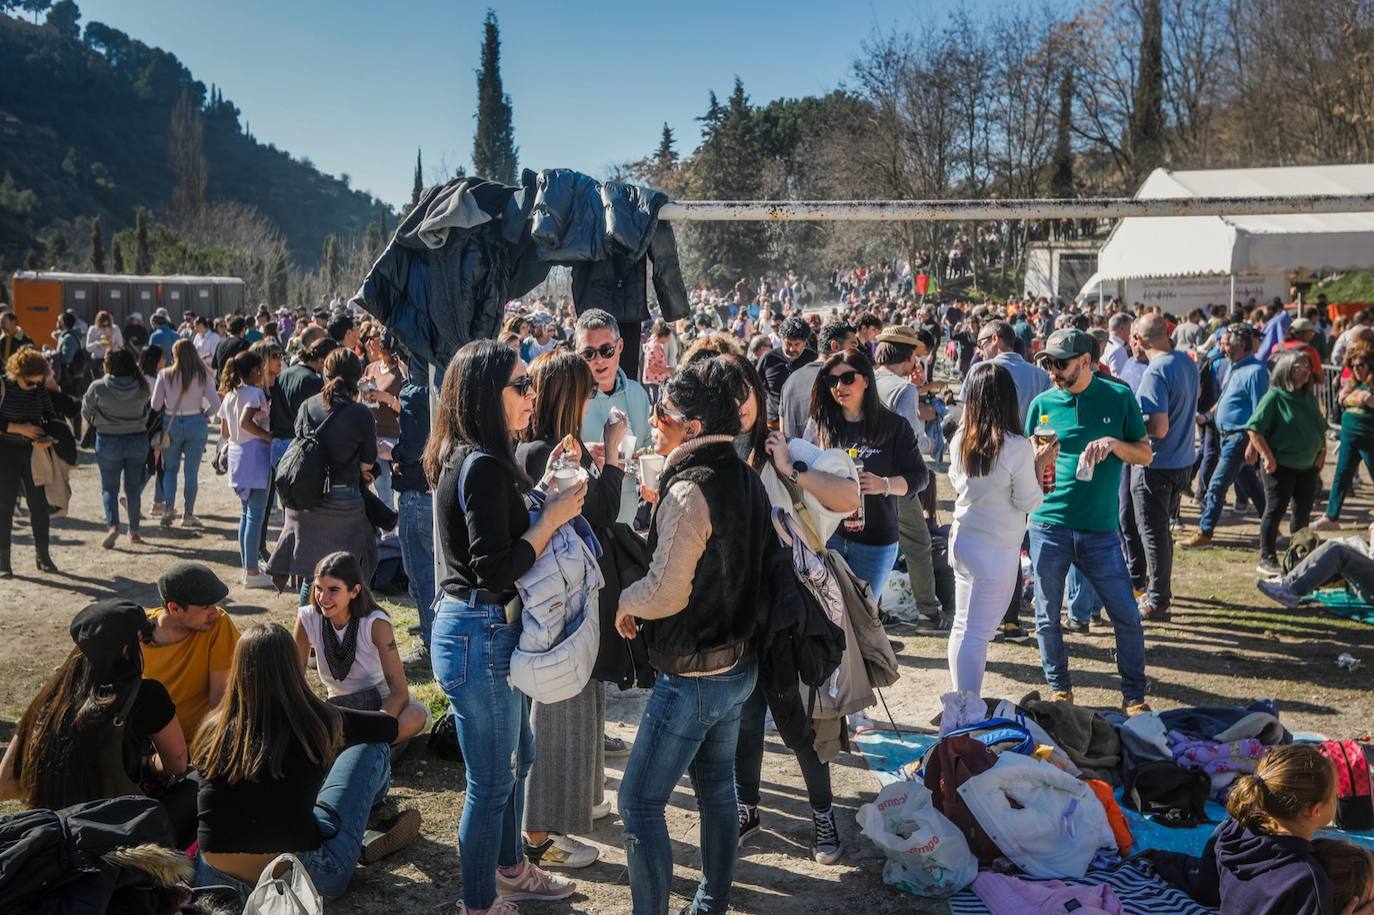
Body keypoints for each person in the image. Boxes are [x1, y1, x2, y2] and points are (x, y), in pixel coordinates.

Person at [425, 339, 587, 914]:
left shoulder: (472, 456)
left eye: (531, 384)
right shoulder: (484, 463)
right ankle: (478, 903)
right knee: (490, 785)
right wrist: (553, 518)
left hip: (480, 630)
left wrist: (546, 496)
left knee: (519, 751)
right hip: (480, 631)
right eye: (521, 385)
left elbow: (496, 537)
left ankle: (511, 869)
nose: (532, 395)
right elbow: (496, 567)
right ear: (485, 395)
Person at [614, 358, 774, 915]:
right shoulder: (746, 478)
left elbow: (665, 594)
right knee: (717, 793)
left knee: (636, 804)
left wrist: (625, 602)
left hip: (694, 674)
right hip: (737, 667)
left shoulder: (690, 492)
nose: (655, 420)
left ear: (694, 428)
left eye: (664, 413)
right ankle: (711, 903)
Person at [190, 623, 419, 902]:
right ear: (292, 668)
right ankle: (368, 814)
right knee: (372, 748)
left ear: (238, 668)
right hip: (299, 880)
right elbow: (385, 729)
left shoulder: (212, 730)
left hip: (216, 885)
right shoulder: (315, 720)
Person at [515, 348, 626, 870]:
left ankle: (563, 815)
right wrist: (617, 456)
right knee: (557, 716)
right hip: (558, 606)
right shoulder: (548, 452)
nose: (590, 403)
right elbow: (600, 510)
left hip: (558, 599)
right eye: (584, 394)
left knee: (567, 711)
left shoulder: (538, 447)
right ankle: (540, 835)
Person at [1024, 328, 1153, 713]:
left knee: (1126, 615)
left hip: (1099, 530)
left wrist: (1115, 445)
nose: (1052, 370)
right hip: (1048, 523)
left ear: (1086, 362)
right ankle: (1060, 690)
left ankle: (1134, 696)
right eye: (1047, 362)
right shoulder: (1042, 403)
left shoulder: (1119, 397)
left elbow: (1145, 454)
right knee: (1046, 615)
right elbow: (1027, 464)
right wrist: (1037, 458)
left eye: (1059, 363)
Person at [0, 600, 194, 844]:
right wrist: (146, 763)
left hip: (52, 833)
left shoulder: (51, 698)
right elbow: (177, 765)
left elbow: (5, 783)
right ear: (126, 649)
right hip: (116, 831)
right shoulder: (146, 694)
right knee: (197, 786)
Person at [944, 365, 1052, 725]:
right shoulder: (1017, 447)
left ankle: (961, 701)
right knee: (976, 634)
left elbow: (957, 481)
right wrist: (1040, 464)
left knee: (962, 628)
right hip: (995, 550)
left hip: (963, 540)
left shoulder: (961, 438)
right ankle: (967, 709)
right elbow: (1029, 502)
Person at [1150, 745, 1350, 915]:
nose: (1337, 798)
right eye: (1333, 794)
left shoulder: (1232, 831)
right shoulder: (1307, 881)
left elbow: (1207, 890)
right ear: (1314, 810)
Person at [805, 349, 927, 597]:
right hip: (829, 536)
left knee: (863, 615)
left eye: (848, 378)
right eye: (832, 380)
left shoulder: (894, 426)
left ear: (867, 380)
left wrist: (884, 485)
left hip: (876, 541)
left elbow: (919, 477)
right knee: (829, 613)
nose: (839, 386)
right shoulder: (821, 423)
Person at [268, 349, 380, 602]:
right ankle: (338, 635)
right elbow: (367, 464)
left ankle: (307, 634)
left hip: (306, 501)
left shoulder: (308, 406)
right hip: (344, 504)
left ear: (325, 373)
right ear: (359, 375)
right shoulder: (361, 413)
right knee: (347, 576)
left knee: (313, 577)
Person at [293, 552, 428, 741]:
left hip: (380, 703)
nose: (323, 598)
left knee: (417, 714)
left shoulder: (376, 623)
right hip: (338, 706)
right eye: (318, 589)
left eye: (333, 590)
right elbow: (294, 679)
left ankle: (365, 747)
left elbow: (399, 692)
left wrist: (376, 726)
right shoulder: (307, 617)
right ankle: (371, 749)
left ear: (354, 591)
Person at [871, 324, 944, 629]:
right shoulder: (904, 389)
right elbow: (911, 439)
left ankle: (870, 610)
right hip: (896, 482)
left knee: (869, 544)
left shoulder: (867, 380)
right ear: (909, 355)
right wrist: (932, 443)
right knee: (917, 543)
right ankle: (928, 610)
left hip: (862, 477)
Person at [1131, 314, 1200, 620]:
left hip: (1156, 464)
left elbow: (1158, 427)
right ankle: (1158, 592)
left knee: (1153, 534)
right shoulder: (1185, 361)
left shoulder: (1155, 372)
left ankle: (1158, 600)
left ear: (1141, 340)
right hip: (1182, 460)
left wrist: (1126, 423)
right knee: (1161, 533)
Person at [1186, 323, 1270, 548]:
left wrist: (1254, 443)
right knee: (1252, 487)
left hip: (1240, 437)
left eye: (1228, 342)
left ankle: (1205, 532)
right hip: (1226, 436)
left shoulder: (1256, 372)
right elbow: (1225, 400)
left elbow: (1259, 410)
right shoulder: (1233, 366)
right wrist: (1206, 417)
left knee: (1216, 485)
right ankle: (1270, 525)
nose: (1223, 347)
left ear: (1242, 345)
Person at [1246, 350, 1327, 576]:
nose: (1306, 371)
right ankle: (1267, 556)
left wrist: (1322, 451)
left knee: (1302, 513)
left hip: (1307, 466)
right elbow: (1255, 429)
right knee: (1275, 510)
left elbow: (1320, 426)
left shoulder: (1308, 397)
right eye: (1300, 366)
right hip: (1280, 466)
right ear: (1286, 369)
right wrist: (1268, 457)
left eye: (1307, 367)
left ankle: (1298, 555)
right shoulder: (1275, 397)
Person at [143, 561, 240, 740]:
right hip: (148, 746)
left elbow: (220, 703)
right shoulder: (134, 632)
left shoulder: (217, 626)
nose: (215, 613)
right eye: (205, 607)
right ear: (174, 608)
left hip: (202, 741)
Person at [577, 309, 651, 524]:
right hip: (585, 526)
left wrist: (643, 466)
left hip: (627, 521)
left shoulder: (638, 393)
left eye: (606, 350)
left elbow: (648, 447)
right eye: (589, 353)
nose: (599, 360)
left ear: (619, 346)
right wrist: (584, 455)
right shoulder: (570, 399)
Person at [215, 350, 273, 588]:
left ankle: (247, 566)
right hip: (255, 456)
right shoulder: (255, 393)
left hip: (238, 455)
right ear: (256, 370)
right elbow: (244, 421)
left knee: (246, 514)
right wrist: (267, 436)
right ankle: (251, 571)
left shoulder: (230, 395)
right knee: (255, 516)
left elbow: (225, 431)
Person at [83, 348, 152, 549]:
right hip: (137, 439)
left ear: (108, 364)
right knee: (132, 488)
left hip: (108, 440)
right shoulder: (142, 385)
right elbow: (148, 412)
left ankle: (113, 526)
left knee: (109, 488)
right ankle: (134, 531)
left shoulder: (98, 387)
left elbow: (86, 411)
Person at [392, 362, 436, 665]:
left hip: (418, 492)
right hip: (440, 490)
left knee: (421, 575)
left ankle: (431, 643)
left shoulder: (414, 392)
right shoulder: (445, 384)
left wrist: (395, 455)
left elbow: (410, 449)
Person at [0, 347, 58, 576]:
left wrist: (47, 437)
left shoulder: (39, 389)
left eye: (37, 382)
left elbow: (50, 417)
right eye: (30, 383)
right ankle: (3, 561)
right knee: (4, 508)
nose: (34, 386)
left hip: (33, 454)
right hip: (5, 453)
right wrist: (18, 428)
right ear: (17, 375)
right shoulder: (3, 386)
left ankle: (43, 556)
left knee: (39, 507)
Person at [151, 338, 219, 529]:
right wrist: (205, 416)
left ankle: (169, 507)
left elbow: (155, 405)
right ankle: (187, 513)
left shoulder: (165, 375)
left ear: (175, 355)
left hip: (171, 423)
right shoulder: (202, 375)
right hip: (196, 422)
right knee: (191, 472)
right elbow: (216, 405)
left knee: (170, 469)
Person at [1317, 339, 1374, 531]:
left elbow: (1367, 401)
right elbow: (1342, 399)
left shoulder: (1369, 385)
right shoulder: (1353, 385)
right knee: (1341, 476)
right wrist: (1356, 399)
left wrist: (1354, 399)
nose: (1357, 369)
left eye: (1361, 365)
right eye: (1354, 365)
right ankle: (1332, 516)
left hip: (1369, 438)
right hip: (1349, 437)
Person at [780, 320, 857, 439]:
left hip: (791, 454)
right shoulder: (838, 381)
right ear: (835, 346)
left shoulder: (791, 378)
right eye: (853, 345)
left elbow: (782, 427)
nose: (857, 352)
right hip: (825, 455)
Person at [362, 331, 405, 510]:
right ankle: (388, 532)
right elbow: (363, 401)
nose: (369, 342)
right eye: (368, 338)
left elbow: (407, 409)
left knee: (401, 490)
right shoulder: (370, 369)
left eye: (373, 337)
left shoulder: (402, 371)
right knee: (383, 489)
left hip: (396, 436)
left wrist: (385, 397)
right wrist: (364, 396)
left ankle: (400, 531)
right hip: (374, 436)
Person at [757, 316, 817, 431]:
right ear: (781, 339)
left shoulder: (813, 359)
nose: (791, 349)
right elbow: (755, 387)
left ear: (805, 342)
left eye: (797, 344)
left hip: (805, 423)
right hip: (773, 423)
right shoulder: (768, 358)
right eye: (788, 343)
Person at [641, 319, 672, 403]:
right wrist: (666, 369)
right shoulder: (654, 347)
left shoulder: (657, 345)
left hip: (657, 380)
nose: (669, 340)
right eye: (668, 337)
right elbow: (650, 367)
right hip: (654, 380)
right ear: (663, 336)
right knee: (657, 404)